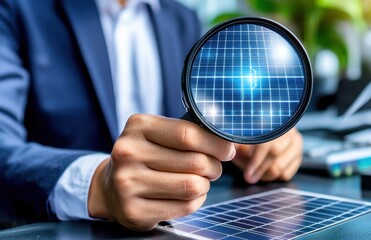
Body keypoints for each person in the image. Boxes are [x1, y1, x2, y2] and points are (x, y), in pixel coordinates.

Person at [0, 0, 303, 231]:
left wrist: (256, 140)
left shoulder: (183, 20)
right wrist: (97, 184)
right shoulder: (16, 9)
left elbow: (206, 122)